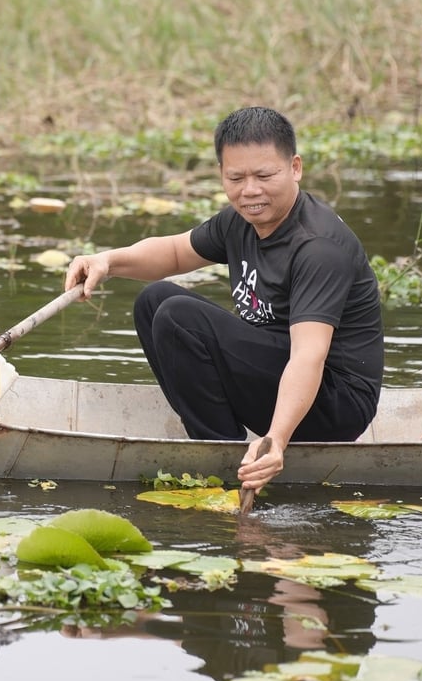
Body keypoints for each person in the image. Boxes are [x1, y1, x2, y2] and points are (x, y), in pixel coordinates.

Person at [64, 106, 383, 492]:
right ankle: (217, 443)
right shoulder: (241, 220)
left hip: (334, 402)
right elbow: (175, 253)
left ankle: (227, 456)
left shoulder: (317, 248)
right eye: (236, 177)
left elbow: (308, 356)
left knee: (179, 316)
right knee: (154, 301)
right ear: (222, 175)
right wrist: (107, 261)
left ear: (295, 168)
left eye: (265, 176)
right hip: (277, 373)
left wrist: (275, 440)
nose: (250, 190)